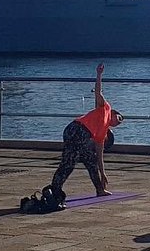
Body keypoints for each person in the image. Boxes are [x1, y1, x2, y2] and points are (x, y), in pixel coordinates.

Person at [49, 63, 123, 199]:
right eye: (119, 117)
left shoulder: (102, 134)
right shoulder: (104, 108)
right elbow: (98, 92)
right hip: (76, 129)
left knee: (91, 160)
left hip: (82, 136)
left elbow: (100, 156)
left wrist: (103, 173)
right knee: (69, 162)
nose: (119, 121)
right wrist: (99, 74)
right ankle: (54, 188)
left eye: (119, 123)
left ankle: (100, 189)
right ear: (113, 112)